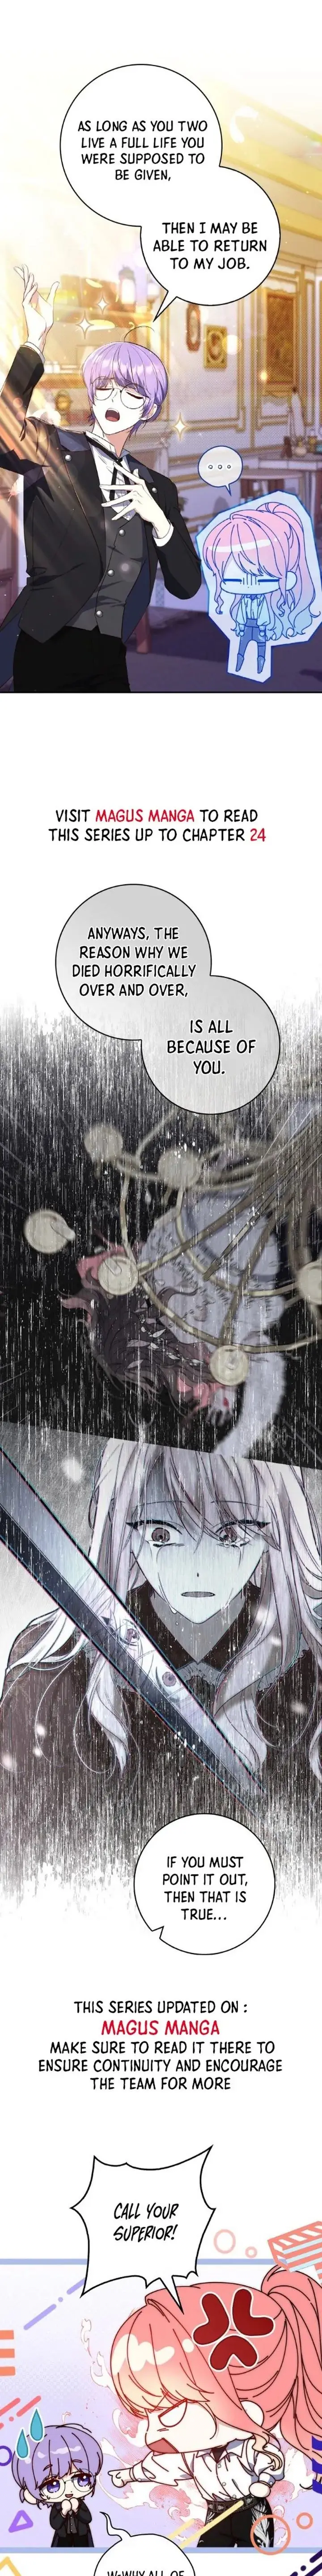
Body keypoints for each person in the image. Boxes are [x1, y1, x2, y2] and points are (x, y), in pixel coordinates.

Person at [3, 1446, 321, 1780]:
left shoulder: (309, 1669)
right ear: (123, 1533)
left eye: (230, 1535)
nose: (197, 1568)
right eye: (161, 1534)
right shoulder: (56, 1668)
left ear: (275, 1533)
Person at [0, 267, 200, 692]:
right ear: (92, 393)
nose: (114, 400)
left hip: (109, 655)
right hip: (44, 645)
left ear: (149, 408)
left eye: (131, 393)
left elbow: (187, 586)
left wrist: (160, 522)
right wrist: (36, 341)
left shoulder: (158, 488)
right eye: (105, 387)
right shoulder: (54, 449)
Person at [109, 2264, 322, 2547]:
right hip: (216, 2513)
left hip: (252, 2509)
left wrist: (264, 2483)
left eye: (169, 2413)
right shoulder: (193, 2456)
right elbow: (160, 2466)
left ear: (246, 2408)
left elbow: (272, 2463)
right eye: (148, 2416)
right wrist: (129, 2475)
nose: (151, 2436)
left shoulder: (252, 2446)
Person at [12, 2420, 103, 2545]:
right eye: (53, 2485)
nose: (69, 2490)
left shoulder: (80, 2504)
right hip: (63, 2539)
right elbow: (55, 2524)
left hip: (82, 2537)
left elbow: (88, 2519)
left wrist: (77, 2509)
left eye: (82, 2479)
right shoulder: (58, 2507)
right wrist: (63, 2512)